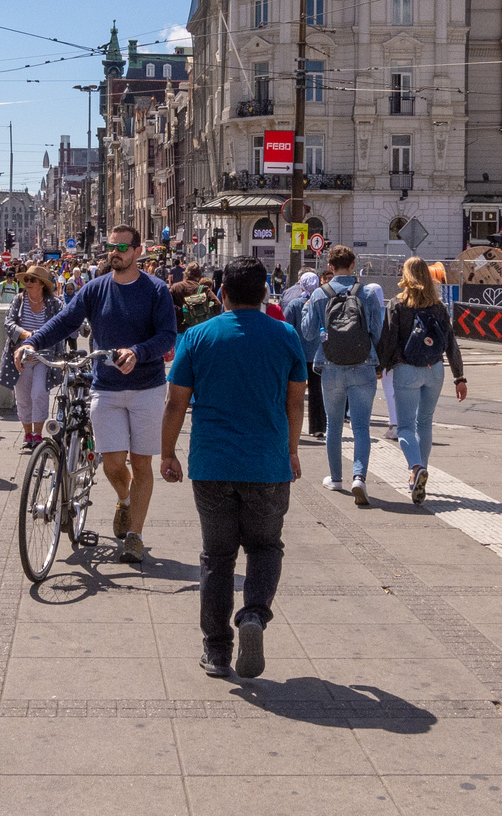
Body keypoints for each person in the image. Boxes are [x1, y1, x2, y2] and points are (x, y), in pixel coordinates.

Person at [159, 256, 304, 679]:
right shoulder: (286, 335)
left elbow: (174, 403)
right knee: (265, 547)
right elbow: (295, 401)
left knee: (217, 557)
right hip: (268, 463)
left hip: (212, 463)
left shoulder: (198, 336)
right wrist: (291, 449)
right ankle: (254, 614)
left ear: (221, 293)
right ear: (265, 294)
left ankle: (217, 651)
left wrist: (167, 453)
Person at [16, 224, 177, 565]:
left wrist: (138, 352)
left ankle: (134, 536)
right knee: (113, 462)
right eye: (110, 246)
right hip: (105, 386)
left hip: (147, 387)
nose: (114, 252)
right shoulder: (95, 289)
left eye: (121, 246)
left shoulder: (156, 290)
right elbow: (64, 321)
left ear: (137, 251)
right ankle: (124, 499)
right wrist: (31, 342)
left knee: (141, 462)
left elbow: (167, 336)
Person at [301, 246, 388, 505]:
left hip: (330, 366)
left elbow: (307, 333)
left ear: (330, 266)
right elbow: (377, 330)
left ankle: (336, 478)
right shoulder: (369, 293)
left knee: (333, 426)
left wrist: (310, 310)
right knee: (361, 426)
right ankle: (359, 477)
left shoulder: (319, 294)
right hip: (363, 364)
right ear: (353, 265)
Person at [377, 256, 467, 504]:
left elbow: (389, 340)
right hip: (435, 370)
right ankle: (421, 473)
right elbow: (451, 344)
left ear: (405, 276)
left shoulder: (397, 304)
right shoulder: (439, 307)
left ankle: (416, 468)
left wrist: (380, 367)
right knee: (425, 423)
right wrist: (460, 377)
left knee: (405, 427)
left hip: (406, 370)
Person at [0, 266, 64, 446]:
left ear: (42, 284)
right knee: (23, 396)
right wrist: (26, 335)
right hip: (22, 356)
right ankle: (27, 434)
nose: (27, 283)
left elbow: (62, 323)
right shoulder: (19, 300)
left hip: (45, 355)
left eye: (31, 280)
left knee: (39, 393)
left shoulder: (54, 303)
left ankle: (38, 433)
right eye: (26, 279)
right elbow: (8, 323)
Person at [283, 270, 327, 437]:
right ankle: (318, 427)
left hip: (298, 353)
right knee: (317, 391)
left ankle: (291, 425)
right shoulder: (322, 303)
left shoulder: (295, 304)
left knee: (294, 392)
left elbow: (287, 327)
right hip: (318, 352)